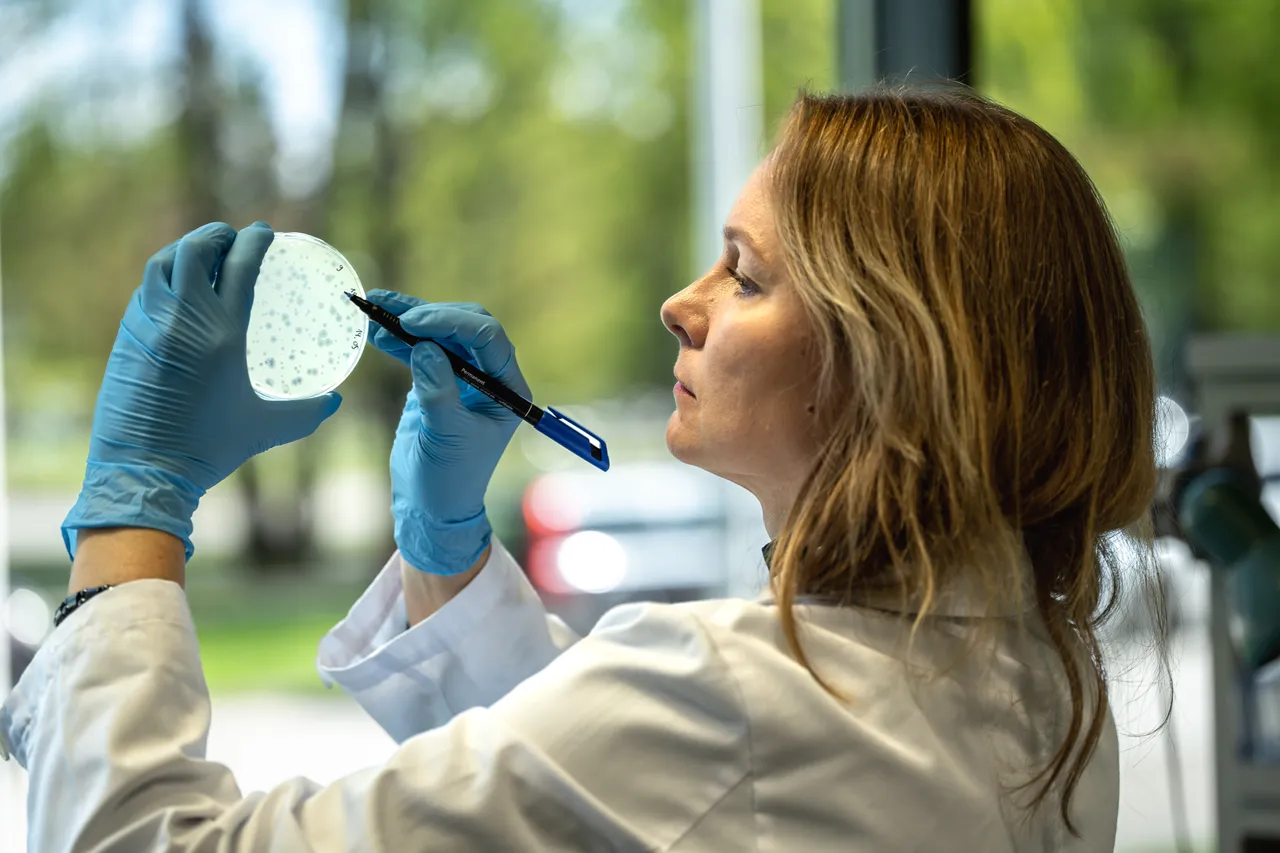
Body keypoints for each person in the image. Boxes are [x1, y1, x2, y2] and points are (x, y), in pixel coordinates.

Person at [0, 87, 1165, 852]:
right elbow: (633, 796)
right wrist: (444, 545)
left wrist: (133, 504)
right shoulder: (1043, 681)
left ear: (894, 357)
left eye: (745, 275)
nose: (680, 304)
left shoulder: (736, 693)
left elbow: (135, 841)